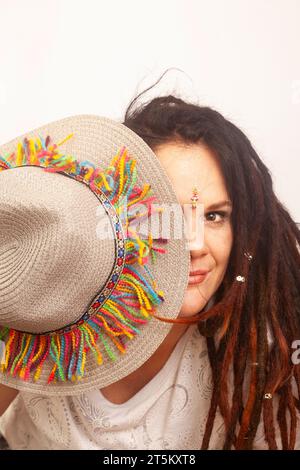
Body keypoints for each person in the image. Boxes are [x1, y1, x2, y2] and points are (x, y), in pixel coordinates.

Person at [0, 86, 299, 451]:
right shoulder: (46, 310)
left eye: (215, 215)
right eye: (167, 216)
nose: (194, 244)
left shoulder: (259, 357)